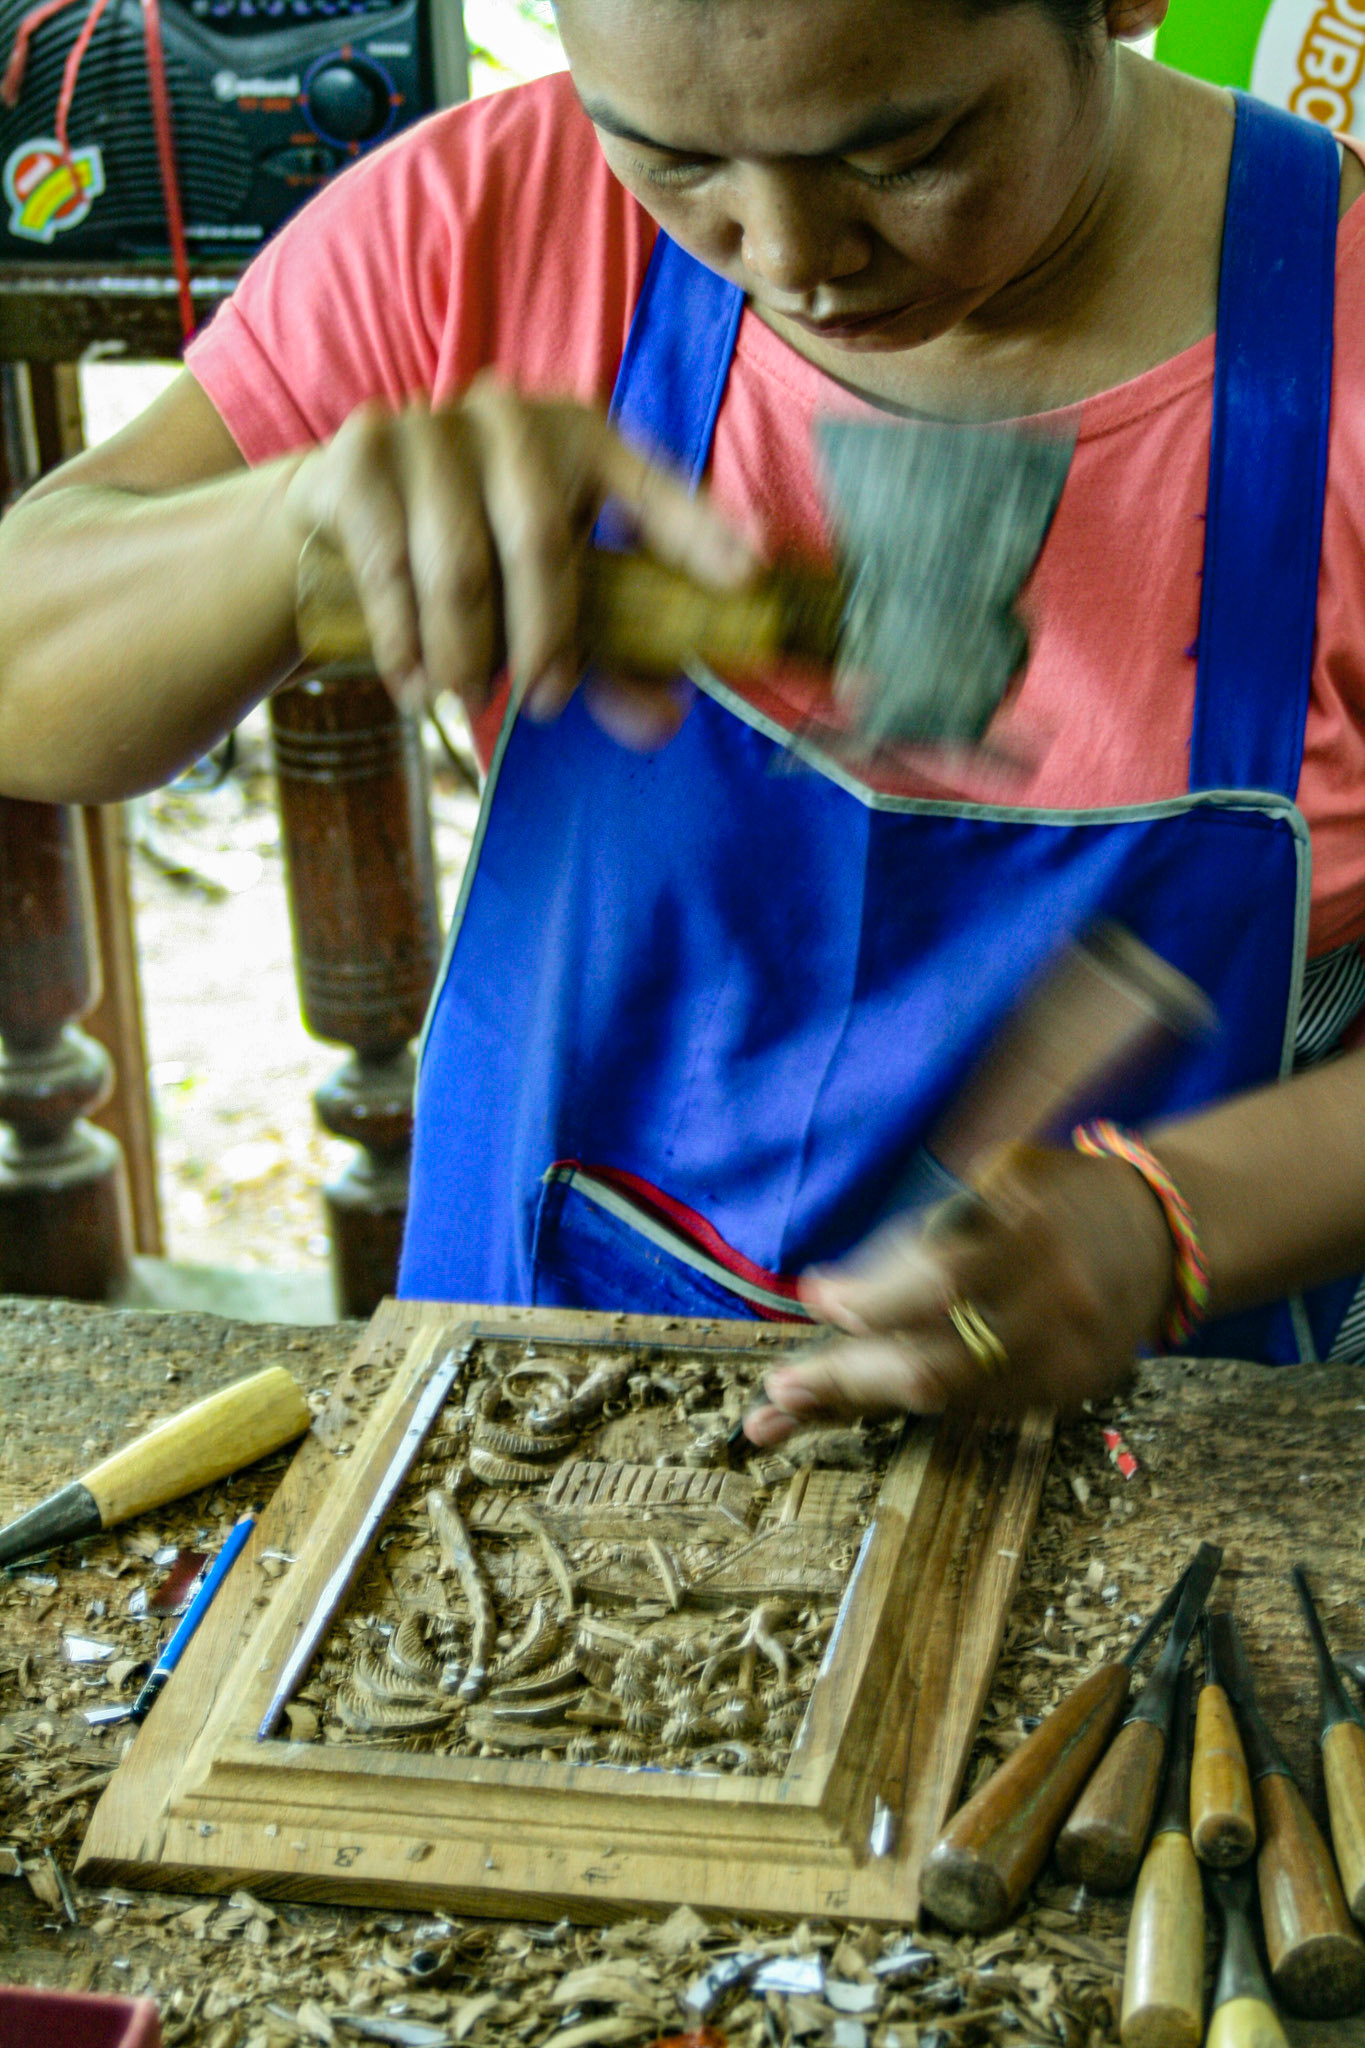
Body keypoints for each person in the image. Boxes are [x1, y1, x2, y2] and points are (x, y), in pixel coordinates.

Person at [4, 0, 1365, 1444]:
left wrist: (1167, 1221)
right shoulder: (486, 225)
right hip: (545, 1433)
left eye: (904, 153)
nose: (791, 259)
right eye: (670, 158)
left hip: (1153, 1445)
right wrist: (291, 521)